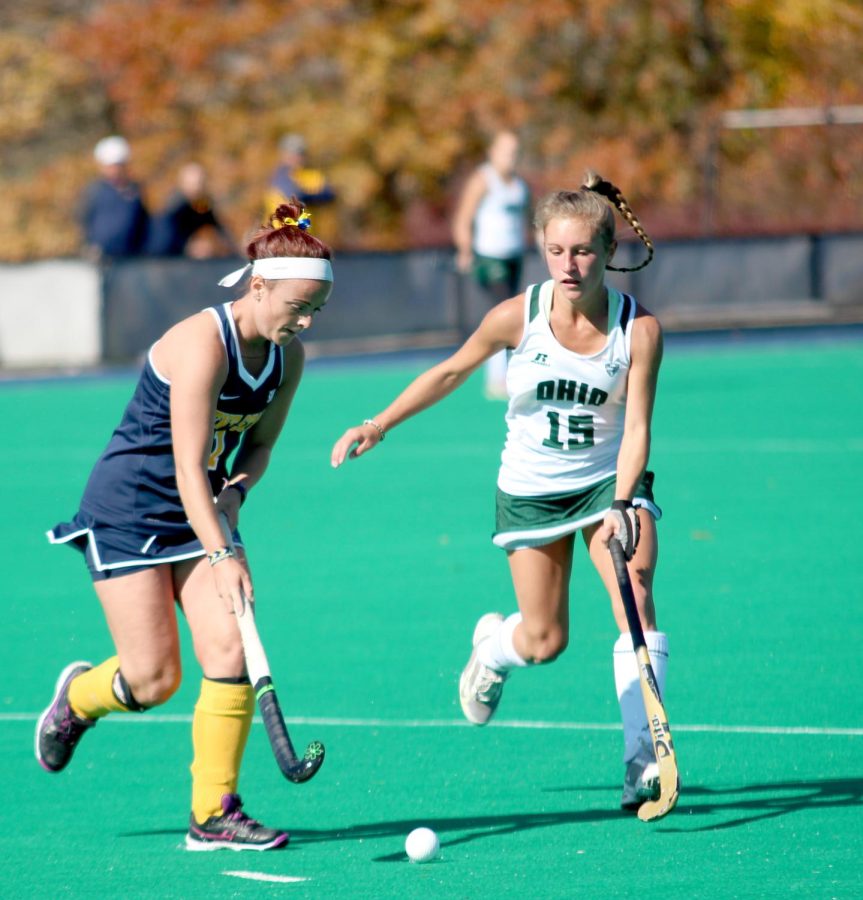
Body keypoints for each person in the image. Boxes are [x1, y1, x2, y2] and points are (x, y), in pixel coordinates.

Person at [332, 173, 665, 812]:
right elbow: (454, 369)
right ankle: (492, 647)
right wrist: (378, 424)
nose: (570, 265)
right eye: (557, 251)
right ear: (542, 248)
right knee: (545, 641)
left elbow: (638, 426)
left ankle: (641, 760)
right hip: (532, 489)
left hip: (606, 482)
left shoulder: (640, 330)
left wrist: (623, 505)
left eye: (585, 251)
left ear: (608, 249)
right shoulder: (518, 316)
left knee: (638, 603)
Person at [37, 199, 333, 851]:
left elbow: (256, 449)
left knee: (227, 649)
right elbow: (182, 464)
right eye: (297, 306)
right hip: (131, 507)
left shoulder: (289, 358)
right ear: (260, 286)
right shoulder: (202, 343)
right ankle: (79, 700)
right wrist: (223, 550)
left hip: (199, 504)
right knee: (152, 681)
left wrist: (237, 495)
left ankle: (213, 812)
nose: (306, 320)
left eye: (316, 309)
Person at [452, 130, 531, 399]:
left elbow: (529, 219)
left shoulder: (519, 185)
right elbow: (464, 218)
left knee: (512, 311)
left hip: (514, 255)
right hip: (489, 256)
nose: (511, 157)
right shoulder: (483, 180)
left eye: (515, 152)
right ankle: (497, 378)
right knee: (504, 311)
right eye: (506, 151)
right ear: (493, 152)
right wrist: (465, 250)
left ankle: (507, 374)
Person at [80, 135, 150, 259]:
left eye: (118, 165)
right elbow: (84, 220)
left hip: (132, 259)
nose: (115, 170)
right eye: (111, 166)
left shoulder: (135, 190)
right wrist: (90, 245)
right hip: (103, 259)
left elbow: (143, 223)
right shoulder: (95, 191)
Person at [148, 161, 234, 258]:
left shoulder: (200, 206)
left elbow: (221, 231)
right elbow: (162, 244)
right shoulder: (174, 208)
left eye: (201, 183)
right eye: (195, 183)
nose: (198, 188)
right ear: (183, 183)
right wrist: (188, 248)